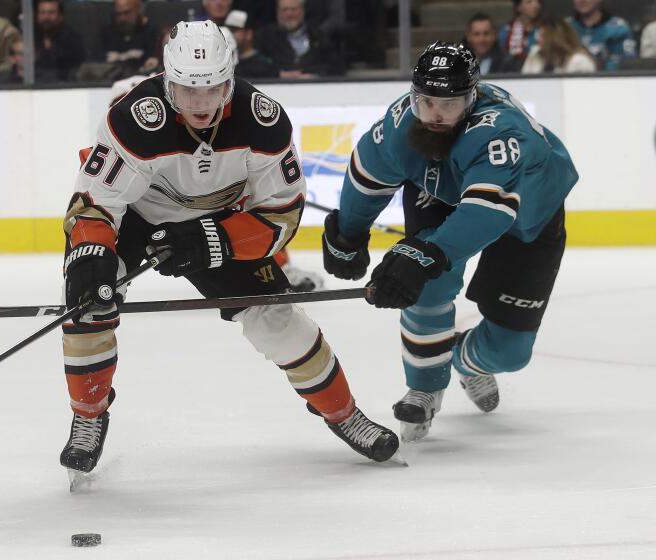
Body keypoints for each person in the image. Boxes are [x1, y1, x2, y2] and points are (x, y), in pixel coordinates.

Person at [58, 21, 399, 478]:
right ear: (167, 81)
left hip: (219, 220)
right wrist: (92, 256)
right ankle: (89, 413)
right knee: (87, 307)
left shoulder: (263, 121)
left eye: (212, 89)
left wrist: (213, 240)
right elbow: (96, 202)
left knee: (278, 321)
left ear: (230, 82)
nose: (201, 104)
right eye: (186, 90)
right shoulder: (133, 118)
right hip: (136, 217)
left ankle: (344, 413)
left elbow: (283, 216)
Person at [322, 42, 578, 442]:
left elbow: (488, 212)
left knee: (510, 353)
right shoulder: (402, 123)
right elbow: (366, 174)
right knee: (426, 285)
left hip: (528, 210)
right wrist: (347, 234)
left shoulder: (499, 130)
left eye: (450, 103)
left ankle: (466, 360)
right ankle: (424, 385)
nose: (435, 115)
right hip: (443, 193)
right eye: (426, 102)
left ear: (471, 99)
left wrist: (426, 254)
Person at [254, 0, 342, 78]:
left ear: (302, 11)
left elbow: (335, 68)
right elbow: (253, 66)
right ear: (277, 12)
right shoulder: (264, 37)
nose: (289, 14)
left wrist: (315, 77)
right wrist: (279, 75)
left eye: (293, 9)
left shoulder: (319, 37)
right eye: (284, 10)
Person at [567, 0, 636, 71]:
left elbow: (627, 63)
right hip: (569, 80)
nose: (582, 1)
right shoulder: (565, 28)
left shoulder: (619, 28)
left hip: (609, 79)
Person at [100, 0, 160, 80]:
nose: (122, 18)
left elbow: (155, 65)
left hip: (141, 83)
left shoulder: (152, 33)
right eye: (119, 14)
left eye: (127, 13)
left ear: (139, 10)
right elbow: (94, 65)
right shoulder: (105, 34)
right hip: (107, 84)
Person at [33, 0, 85, 82]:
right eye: (42, 13)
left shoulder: (72, 39)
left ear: (61, 16)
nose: (46, 17)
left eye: (51, 12)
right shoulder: (30, 37)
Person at [521, 17, 596, 74]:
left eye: (542, 35)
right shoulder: (535, 54)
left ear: (555, 39)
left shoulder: (580, 61)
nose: (538, 39)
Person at [224, 9, 278, 78]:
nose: (229, 34)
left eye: (234, 30)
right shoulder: (223, 62)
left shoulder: (264, 66)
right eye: (227, 30)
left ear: (249, 34)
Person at [498, 0, 542, 64]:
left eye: (538, 2)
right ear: (518, 7)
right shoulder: (506, 32)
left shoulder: (544, 30)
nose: (536, 5)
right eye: (529, 1)